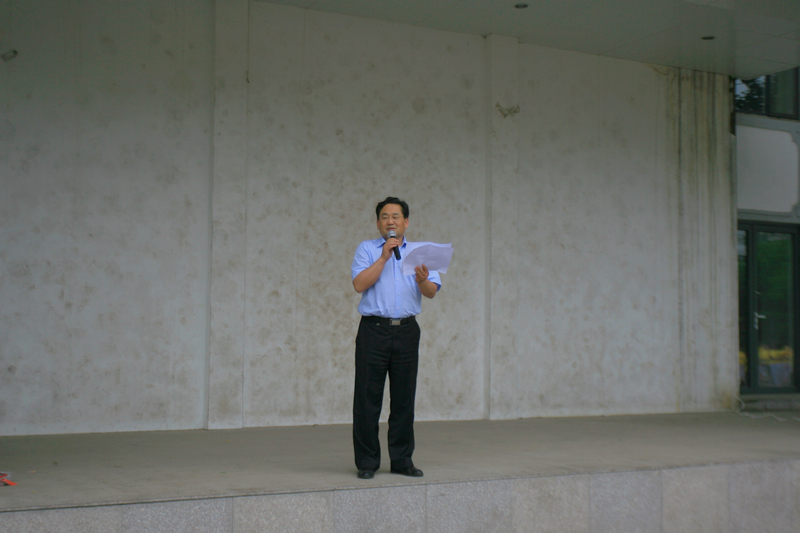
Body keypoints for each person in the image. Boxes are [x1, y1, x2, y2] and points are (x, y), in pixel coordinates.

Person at [351, 196, 441, 479]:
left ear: (406, 222)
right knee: (367, 399)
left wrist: (422, 279)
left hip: (406, 331)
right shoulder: (367, 249)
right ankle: (367, 462)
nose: (390, 221)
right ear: (378, 223)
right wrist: (383, 258)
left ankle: (402, 460)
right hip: (373, 330)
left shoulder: (420, 252)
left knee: (404, 399)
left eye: (396, 216)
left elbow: (431, 292)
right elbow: (359, 284)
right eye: (385, 217)